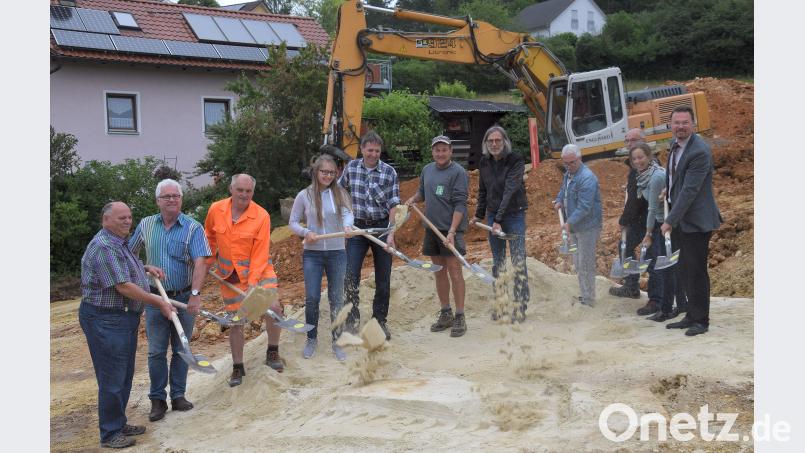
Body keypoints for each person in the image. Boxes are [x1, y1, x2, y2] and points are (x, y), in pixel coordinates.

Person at [79, 202, 176, 449]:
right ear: (105, 220)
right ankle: (110, 434)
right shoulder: (104, 246)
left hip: (121, 319)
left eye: (129, 217)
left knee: (123, 376)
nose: (127, 221)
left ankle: (118, 423)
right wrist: (158, 301)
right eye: (121, 217)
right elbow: (123, 285)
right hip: (106, 319)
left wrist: (144, 268)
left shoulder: (118, 242)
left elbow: (125, 268)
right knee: (112, 379)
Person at [129, 179, 211, 422]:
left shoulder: (193, 228)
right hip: (155, 299)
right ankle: (157, 400)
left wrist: (195, 295)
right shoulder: (146, 225)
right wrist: (145, 267)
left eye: (176, 196)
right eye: (167, 196)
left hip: (184, 297)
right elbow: (129, 255)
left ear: (181, 199)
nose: (172, 199)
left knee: (181, 348)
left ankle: (178, 395)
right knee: (156, 351)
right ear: (158, 201)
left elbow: (201, 262)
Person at [204, 174, 284, 386]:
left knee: (273, 308)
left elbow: (260, 252)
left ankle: (273, 351)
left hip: (259, 272)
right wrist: (205, 263)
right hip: (229, 274)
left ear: (253, 193)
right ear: (231, 189)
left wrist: (253, 285)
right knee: (236, 321)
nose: (244, 195)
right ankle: (238, 367)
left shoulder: (261, 216)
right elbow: (209, 238)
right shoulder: (216, 210)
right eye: (240, 190)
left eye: (248, 191)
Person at [662, 106, 722, 336]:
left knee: (696, 271)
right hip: (682, 221)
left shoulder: (700, 151)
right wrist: (667, 192)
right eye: (676, 123)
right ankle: (690, 314)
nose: (680, 126)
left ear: (693, 124)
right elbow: (676, 178)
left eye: (685, 122)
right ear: (670, 125)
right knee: (685, 269)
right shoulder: (675, 146)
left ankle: (701, 321)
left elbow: (690, 191)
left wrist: (669, 220)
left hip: (696, 222)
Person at [290, 154, 354, 361]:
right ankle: (311, 339)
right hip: (313, 255)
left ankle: (337, 341)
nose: (327, 176)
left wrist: (347, 225)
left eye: (332, 172)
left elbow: (347, 214)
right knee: (313, 298)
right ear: (316, 172)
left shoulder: (340, 193)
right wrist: (305, 232)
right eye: (324, 172)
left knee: (337, 298)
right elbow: (293, 222)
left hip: (337, 253)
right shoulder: (304, 195)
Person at [405, 135, 470, 337]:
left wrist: (451, 231)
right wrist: (413, 199)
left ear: (450, 151)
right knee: (439, 271)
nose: (440, 153)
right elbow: (422, 193)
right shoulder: (427, 170)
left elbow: (460, 204)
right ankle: (445, 312)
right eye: (437, 150)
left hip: (451, 231)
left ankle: (460, 315)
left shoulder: (458, 172)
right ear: (432, 152)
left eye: (444, 150)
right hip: (431, 230)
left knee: (455, 271)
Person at [339, 131, 400, 340]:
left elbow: (393, 204)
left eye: (377, 150)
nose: (373, 154)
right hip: (357, 229)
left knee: (383, 278)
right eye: (369, 150)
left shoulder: (389, 172)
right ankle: (351, 320)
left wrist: (391, 231)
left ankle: (379, 321)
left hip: (381, 228)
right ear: (362, 150)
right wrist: (345, 221)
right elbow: (340, 192)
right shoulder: (351, 168)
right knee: (350, 275)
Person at [471, 125, 530, 322]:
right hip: (493, 214)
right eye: (491, 141)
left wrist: (498, 220)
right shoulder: (484, 162)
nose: (494, 144)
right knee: (498, 261)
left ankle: (520, 306)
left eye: (498, 140)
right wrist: (479, 215)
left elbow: (510, 190)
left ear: (504, 142)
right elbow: (483, 191)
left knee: (518, 260)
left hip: (514, 215)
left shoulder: (516, 161)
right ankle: (501, 304)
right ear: (486, 144)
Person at [628, 144, 682, 323]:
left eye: (641, 157)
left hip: (662, 225)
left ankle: (664, 307)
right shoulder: (643, 176)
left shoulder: (655, 177)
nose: (638, 161)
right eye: (634, 159)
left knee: (664, 266)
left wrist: (648, 234)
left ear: (649, 156)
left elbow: (652, 209)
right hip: (660, 222)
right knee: (666, 266)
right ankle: (677, 304)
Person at [553, 144, 602, 307]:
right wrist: (559, 200)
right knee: (578, 262)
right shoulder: (568, 174)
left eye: (572, 163)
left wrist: (568, 222)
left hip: (587, 228)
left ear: (580, 159)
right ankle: (585, 294)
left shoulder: (587, 178)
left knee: (585, 264)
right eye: (565, 163)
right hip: (574, 229)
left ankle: (589, 299)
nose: (568, 166)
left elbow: (585, 207)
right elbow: (563, 191)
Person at [609, 128, 647, 301]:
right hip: (641, 216)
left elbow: (635, 199)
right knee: (626, 246)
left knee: (627, 246)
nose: (630, 143)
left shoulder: (642, 166)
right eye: (627, 140)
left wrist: (624, 220)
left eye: (633, 140)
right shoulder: (634, 165)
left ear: (643, 142)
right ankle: (631, 283)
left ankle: (632, 285)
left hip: (644, 217)